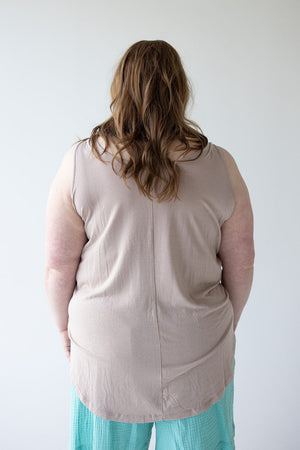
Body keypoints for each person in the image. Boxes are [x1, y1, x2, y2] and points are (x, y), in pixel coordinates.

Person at [44, 40, 255, 450]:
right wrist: (227, 324)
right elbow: (242, 263)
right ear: (180, 91)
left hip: (106, 358)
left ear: (119, 88)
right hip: (200, 353)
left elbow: (57, 266)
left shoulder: (79, 164)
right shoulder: (220, 166)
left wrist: (63, 328)